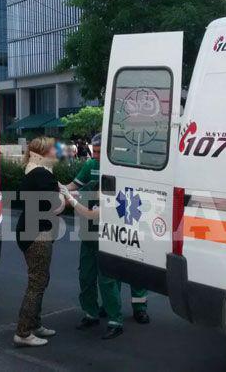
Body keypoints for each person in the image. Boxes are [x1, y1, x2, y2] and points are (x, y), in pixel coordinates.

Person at [66, 134, 150, 339]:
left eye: (98, 152)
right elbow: (73, 186)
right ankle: (93, 312)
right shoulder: (90, 165)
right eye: (93, 152)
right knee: (89, 274)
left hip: (119, 225)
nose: (94, 156)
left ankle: (137, 309)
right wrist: (56, 187)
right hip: (92, 228)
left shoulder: (123, 166)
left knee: (130, 271)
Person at [14, 136, 67, 347]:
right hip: (37, 235)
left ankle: (34, 324)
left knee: (40, 280)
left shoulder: (34, 172)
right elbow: (54, 205)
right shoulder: (42, 174)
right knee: (37, 283)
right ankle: (23, 332)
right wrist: (64, 199)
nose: (58, 152)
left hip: (30, 231)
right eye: (55, 149)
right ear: (44, 153)